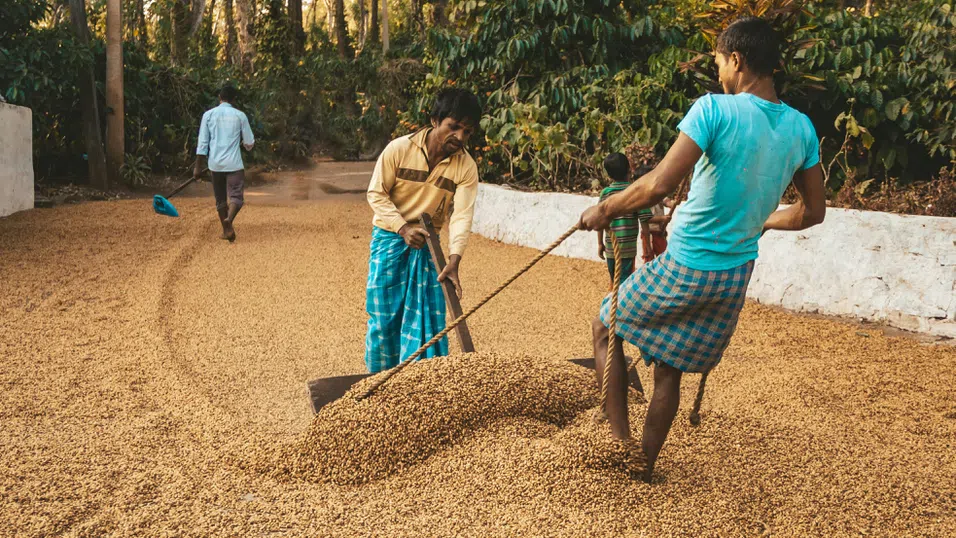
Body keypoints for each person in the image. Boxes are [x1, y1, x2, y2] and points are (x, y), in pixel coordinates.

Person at [579, 16, 827, 482]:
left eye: (718, 62)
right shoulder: (802, 129)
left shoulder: (713, 109)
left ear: (737, 60)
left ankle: (618, 444)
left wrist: (606, 209)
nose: (717, 73)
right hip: (733, 275)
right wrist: (760, 221)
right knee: (668, 371)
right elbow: (812, 212)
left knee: (602, 326)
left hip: (687, 263)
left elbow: (658, 185)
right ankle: (643, 467)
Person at [364, 88, 482, 373]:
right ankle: (378, 382)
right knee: (383, 320)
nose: (460, 137)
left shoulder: (466, 166)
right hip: (389, 239)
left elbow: (462, 214)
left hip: (431, 246)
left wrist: (454, 260)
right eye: (453, 127)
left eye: (467, 132)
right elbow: (376, 194)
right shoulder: (398, 149)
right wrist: (403, 228)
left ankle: (421, 386)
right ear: (434, 121)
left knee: (427, 323)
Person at [194, 84, 255, 242]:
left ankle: (226, 229)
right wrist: (245, 145)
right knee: (236, 196)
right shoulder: (240, 116)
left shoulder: (208, 115)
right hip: (234, 164)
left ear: (219, 98)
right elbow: (249, 143)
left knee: (220, 198)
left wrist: (197, 167)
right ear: (234, 100)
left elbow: (203, 143)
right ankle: (229, 220)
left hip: (215, 164)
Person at [596, 153, 645, 289]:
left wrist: (600, 243)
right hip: (628, 249)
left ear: (608, 175)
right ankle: (619, 308)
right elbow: (645, 219)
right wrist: (648, 245)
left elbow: (599, 220)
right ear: (629, 170)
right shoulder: (633, 192)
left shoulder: (606, 193)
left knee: (614, 280)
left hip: (611, 248)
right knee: (625, 283)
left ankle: (613, 306)